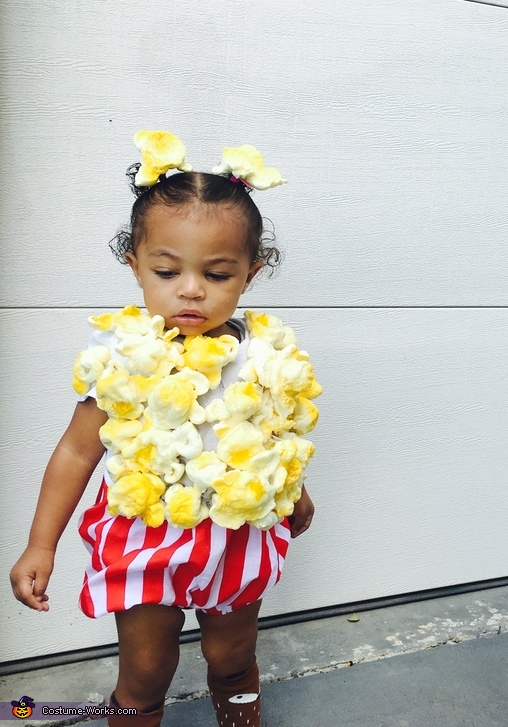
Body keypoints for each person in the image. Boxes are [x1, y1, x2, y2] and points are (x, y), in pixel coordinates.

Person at [10, 130, 322, 727]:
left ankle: (239, 712)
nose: (192, 289)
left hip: (238, 533)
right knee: (146, 669)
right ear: (136, 265)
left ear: (251, 275)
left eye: (219, 274)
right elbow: (78, 451)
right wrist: (41, 543)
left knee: (231, 656)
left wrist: (295, 490)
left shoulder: (265, 353)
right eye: (167, 269)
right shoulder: (122, 356)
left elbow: (273, 435)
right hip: (145, 534)